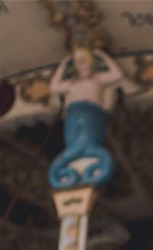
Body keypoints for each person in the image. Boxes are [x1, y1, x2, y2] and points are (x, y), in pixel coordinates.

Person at [48, 47, 124, 189]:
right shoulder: (71, 83)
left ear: (92, 62)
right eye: (78, 61)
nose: (81, 63)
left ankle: (82, 156)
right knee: (73, 139)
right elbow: (54, 87)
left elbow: (117, 74)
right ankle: (76, 156)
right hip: (73, 114)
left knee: (88, 135)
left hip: (91, 112)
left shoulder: (98, 79)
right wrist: (64, 64)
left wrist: (103, 55)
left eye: (85, 59)